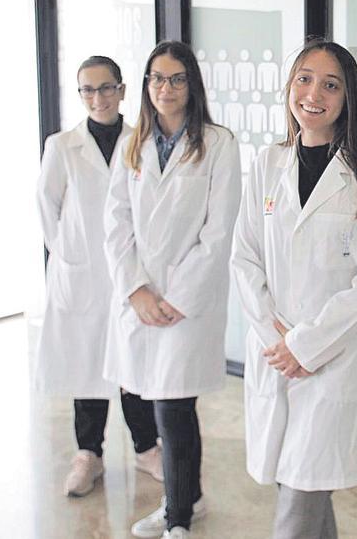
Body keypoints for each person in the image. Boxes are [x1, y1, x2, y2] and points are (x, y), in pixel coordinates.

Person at [232, 39, 357, 539]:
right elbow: (244, 256)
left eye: (331, 85)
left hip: (336, 358)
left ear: (349, 97)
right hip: (276, 353)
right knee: (298, 481)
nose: (314, 93)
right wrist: (277, 338)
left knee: (300, 494)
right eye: (305, 79)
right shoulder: (267, 162)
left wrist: (307, 344)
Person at [102, 41, 241, 539]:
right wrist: (137, 289)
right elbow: (115, 223)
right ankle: (191, 499)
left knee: (174, 406)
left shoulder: (218, 143)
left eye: (176, 78)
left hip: (187, 302)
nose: (165, 88)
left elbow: (218, 231)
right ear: (146, 86)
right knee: (148, 398)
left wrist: (175, 298)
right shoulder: (132, 144)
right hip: (141, 298)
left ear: (192, 84)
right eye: (157, 79)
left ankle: (177, 515)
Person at [36, 55, 162, 497]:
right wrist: (73, 256)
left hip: (129, 274)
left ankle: (147, 447)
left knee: (134, 365)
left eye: (106, 88)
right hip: (83, 274)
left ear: (123, 90)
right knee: (86, 365)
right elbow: (48, 210)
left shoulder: (141, 141)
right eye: (88, 90)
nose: (98, 98)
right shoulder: (61, 146)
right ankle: (88, 454)